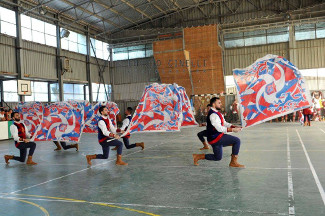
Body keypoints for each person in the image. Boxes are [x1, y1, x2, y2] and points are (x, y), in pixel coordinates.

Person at [192, 97, 244, 168]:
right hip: (216, 138)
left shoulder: (217, 113)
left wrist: (233, 126)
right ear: (213, 104)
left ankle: (197, 156)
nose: (221, 104)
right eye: (219, 103)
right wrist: (232, 130)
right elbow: (219, 128)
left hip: (216, 137)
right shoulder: (213, 115)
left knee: (217, 157)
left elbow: (224, 123)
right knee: (237, 141)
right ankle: (233, 162)